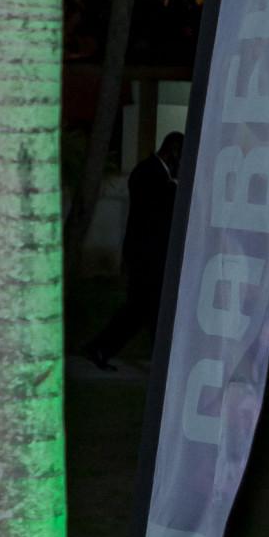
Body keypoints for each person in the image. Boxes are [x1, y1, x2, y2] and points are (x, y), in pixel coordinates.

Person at [86, 130, 182, 369]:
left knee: (144, 310)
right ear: (173, 152)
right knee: (144, 309)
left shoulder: (157, 174)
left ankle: (101, 348)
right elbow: (156, 207)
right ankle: (103, 348)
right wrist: (175, 188)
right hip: (145, 256)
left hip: (150, 255)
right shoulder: (148, 172)